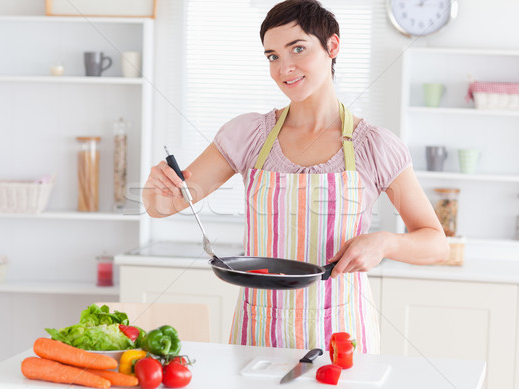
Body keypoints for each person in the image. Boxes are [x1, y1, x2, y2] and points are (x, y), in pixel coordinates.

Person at [143, 0, 448, 354]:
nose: (284, 68)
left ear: (332, 46)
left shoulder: (375, 146)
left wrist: (385, 243)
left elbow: (436, 244)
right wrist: (156, 186)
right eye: (272, 56)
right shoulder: (249, 135)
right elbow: (165, 204)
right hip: (258, 333)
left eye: (298, 49)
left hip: (342, 336)